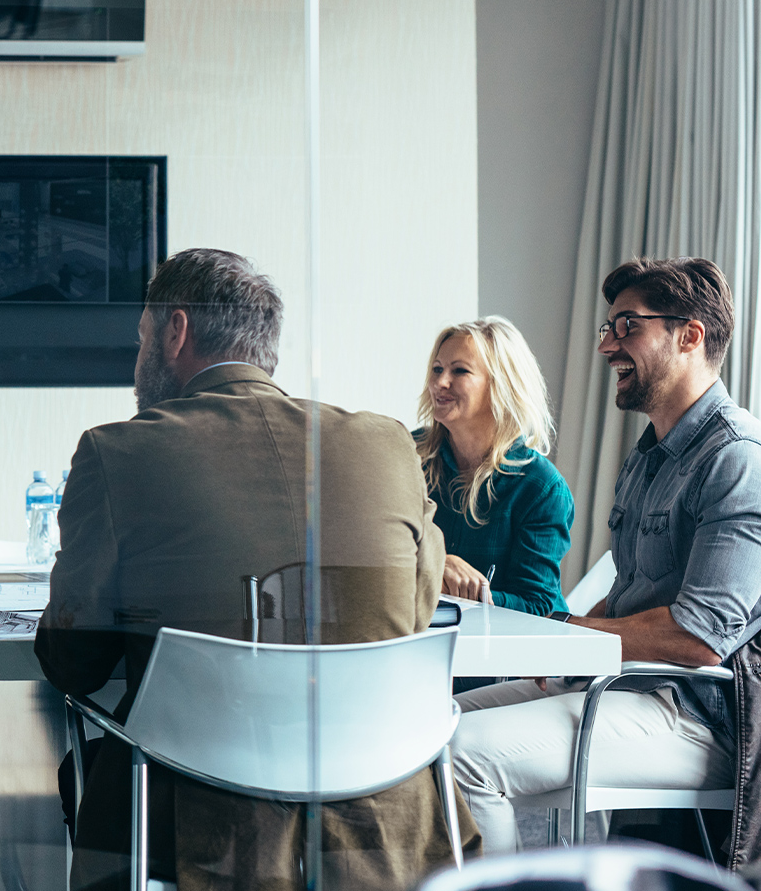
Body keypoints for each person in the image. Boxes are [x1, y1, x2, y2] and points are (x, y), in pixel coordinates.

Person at [36, 248, 477, 891]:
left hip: (196, 823)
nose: (138, 363)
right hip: (383, 816)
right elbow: (405, 619)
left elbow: (74, 660)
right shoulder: (388, 443)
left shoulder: (117, 451)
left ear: (176, 332)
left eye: (141, 341)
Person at [452, 257, 761, 853]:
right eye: (607, 328)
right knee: (429, 729)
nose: (606, 346)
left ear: (689, 336)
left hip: (697, 716)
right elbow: (627, 596)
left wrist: (569, 632)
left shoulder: (737, 460)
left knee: (464, 757)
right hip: (623, 686)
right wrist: (571, 644)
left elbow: (698, 638)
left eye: (627, 327)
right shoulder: (647, 458)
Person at [416, 317, 573, 616]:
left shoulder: (542, 488)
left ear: (502, 385)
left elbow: (538, 605)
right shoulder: (409, 455)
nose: (439, 382)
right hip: (425, 640)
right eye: (437, 369)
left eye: (459, 371)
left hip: (505, 651)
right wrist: (436, 563)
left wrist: (467, 594)